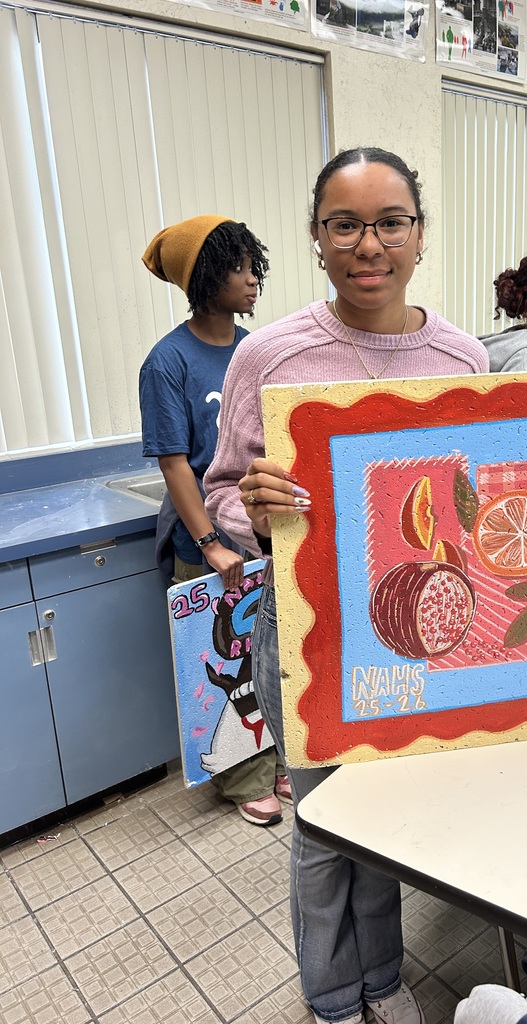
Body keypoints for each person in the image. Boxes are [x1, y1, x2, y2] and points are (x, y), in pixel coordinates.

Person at [205, 148, 489, 1024]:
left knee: (391, 816)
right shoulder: (273, 353)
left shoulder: (462, 354)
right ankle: (334, 996)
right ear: (318, 239)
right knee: (328, 826)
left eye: (389, 222)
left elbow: (478, 498)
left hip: (418, 631)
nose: (370, 245)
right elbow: (221, 489)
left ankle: (384, 977)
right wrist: (249, 508)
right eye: (346, 225)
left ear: (420, 234)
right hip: (311, 631)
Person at [139, 215, 291, 827]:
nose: (253, 279)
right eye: (238, 267)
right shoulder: (167, 362)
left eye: (254, 264)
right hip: (206, 540)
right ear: (204, 277)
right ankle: (242, 776)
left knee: (271, 654)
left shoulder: (256, 349)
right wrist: (210, 543)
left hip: (259, 532)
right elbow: (176, 466)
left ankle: (278, 755)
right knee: (227, 664)